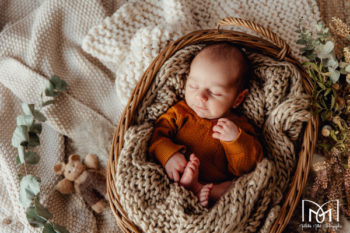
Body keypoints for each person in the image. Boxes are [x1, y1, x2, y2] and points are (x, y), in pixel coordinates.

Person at [148, 43, 263, 207]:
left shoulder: (239, 127)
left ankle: (198, 188)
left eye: (215, 92)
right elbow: (157, 135)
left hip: (212, 188)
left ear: (238, 99)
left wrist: (235, 140)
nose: (200, 96)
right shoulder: (180, 112)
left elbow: (248, 167)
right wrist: (168, 156)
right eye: (193, 86)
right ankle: (188, 185)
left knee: (238, 187)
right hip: (173, 175)